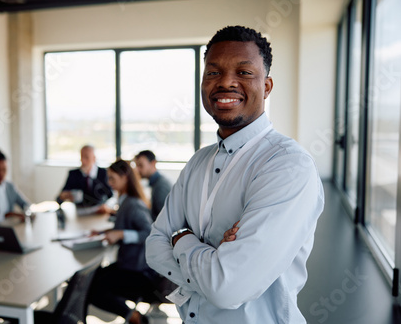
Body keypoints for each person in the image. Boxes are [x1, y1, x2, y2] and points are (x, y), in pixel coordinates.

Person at [146, 25, 324, 324]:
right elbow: (154, 248)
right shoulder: (198, 162)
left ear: (266, 87)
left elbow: (228, 288)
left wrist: (181, 238)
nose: (226, 82)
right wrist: (212, 259)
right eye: (213, 73)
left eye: (243, 72)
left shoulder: (287, 166)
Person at [89, 160, 157, 324]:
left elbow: (149, 233)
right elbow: (125, 227)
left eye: (112, 178)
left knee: (93, 288)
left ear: (125, 177)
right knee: (90, 277)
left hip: (140, 272)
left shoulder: (133, 203)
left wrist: (120, 234)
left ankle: (133, 317)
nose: (109, 182)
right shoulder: (125, 200)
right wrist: (107, 232)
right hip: (128, 265)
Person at [56, 145, 113, 214]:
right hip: (80, 213)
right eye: (81, 157)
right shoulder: (74, 174)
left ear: (94, 158)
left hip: (99, 213)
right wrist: (64, 196)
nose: (83, 161)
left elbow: (111, 196)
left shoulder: (104, 173)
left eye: (86, 157)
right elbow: (59, 199)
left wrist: (106, 206)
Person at [135, 150, 172, 221]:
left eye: (141, 165)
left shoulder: (161, 186)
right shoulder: (157, 182)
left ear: (153, 163)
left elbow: (163, 218)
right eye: (136, 166)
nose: (137, 170)